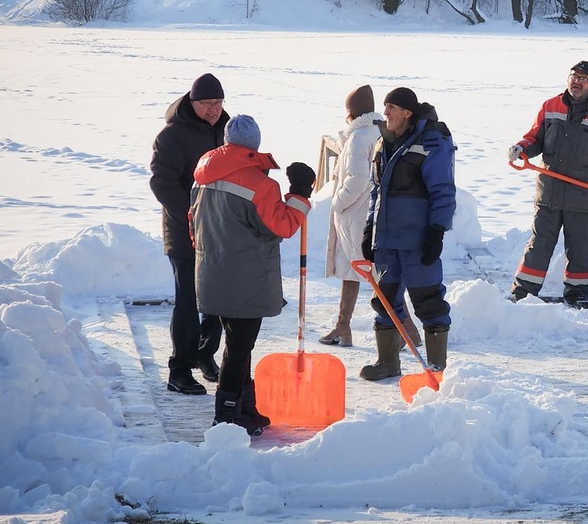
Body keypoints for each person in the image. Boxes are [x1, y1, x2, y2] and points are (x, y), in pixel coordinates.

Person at [189, 114, 315, 436]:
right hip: (245, 279)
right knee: (239, 346)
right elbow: (283, 225)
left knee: (238, 343)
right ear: (254, 145)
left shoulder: (202, 175)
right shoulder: (261, 185)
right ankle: (227, 415)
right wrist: (300, 193)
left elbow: (193, 224)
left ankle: (244, 408)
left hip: (211, 273)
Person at [508, 60, 588, 309]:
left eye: (584, 79)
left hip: (584, 198)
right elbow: (535, 138)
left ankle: (578, 295)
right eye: (574, 76)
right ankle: (523, 294)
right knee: (539, 245)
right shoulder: (550, 106)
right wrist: (521, 148)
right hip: (550, 193)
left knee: (580, 249)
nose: (577, 82)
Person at [359, 87, 455, 381]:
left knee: (428, 300)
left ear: (407, 113)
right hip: (387, 238)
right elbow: (376, 192)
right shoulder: (382, 142)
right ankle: (387, 362)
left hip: (417, 239)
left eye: (392, 107)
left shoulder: (431, 141)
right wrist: (369, 228)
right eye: (385, 105)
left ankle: (437, 370)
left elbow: (443, 191)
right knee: (384, 299)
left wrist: (437, 230)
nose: (385, 112)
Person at [320, 85, 422, 348]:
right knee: (353, 270)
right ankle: (343, 326)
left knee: (377, 275)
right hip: (370, 213)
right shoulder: (380, 131)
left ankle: (408, 331)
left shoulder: (358, 137)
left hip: (355, 216)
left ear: (351, 112)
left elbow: (357, 179)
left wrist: (338, 202)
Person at [150, 73, 228, 396]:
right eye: (207, 103)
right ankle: (179, 369)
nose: (214, 109)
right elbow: (162, 183)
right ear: (192, 102)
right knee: (188, 300)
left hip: (220, 229)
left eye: (218, 102)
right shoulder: (171, 137)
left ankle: (205, 354)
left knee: (218, 297)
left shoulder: (226, 130)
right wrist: (194, 212)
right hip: (184, 231)